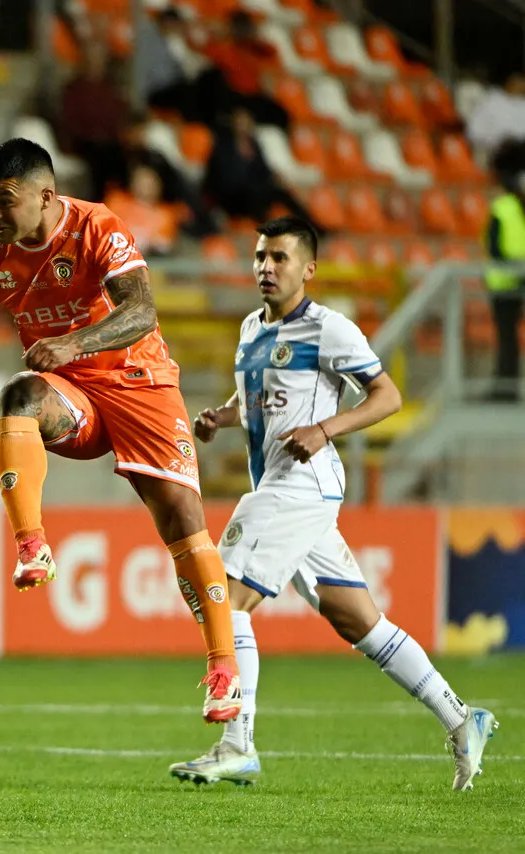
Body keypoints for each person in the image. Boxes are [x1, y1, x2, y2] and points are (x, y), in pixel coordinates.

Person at [169, 216, 497, 789]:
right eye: (260, 257)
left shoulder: (329, 329)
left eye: (279, 258)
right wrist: (224, 416)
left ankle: (236, 744)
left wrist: (326, 428)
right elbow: (261, 396)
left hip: (299, 483)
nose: (266, 268)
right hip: (288, 485)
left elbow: (388, 395)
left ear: (308, 269)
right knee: (358, 621)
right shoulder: (251, 327)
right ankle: (461, 717)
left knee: (223, 591)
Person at [0, 138, 241, 723]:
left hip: (138, 380)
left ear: (46, 195)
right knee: (17, 395)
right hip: (74, 399)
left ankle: (224, 671)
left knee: (182, 519)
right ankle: (32, 547)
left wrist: (74, 342)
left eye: (5, 201)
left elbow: (142, 311)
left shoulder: (98, 226)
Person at [485, 140, 525, 402]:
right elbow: (494, 246)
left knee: (509, 340)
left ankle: (507, 389)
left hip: (518, 281)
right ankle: (505, 390)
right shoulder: (502, 208)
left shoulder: (510, 206)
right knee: (507, 340)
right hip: (504, 283)